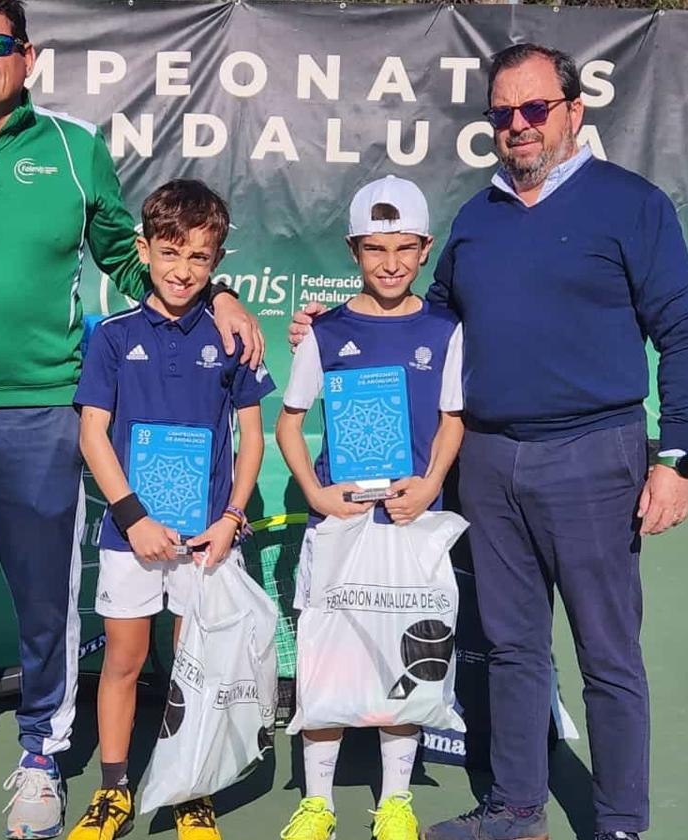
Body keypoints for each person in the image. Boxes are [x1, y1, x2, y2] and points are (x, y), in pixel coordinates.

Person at [0, 2, 261, 836]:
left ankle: (41, 758)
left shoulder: (74, 151)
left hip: (40, 417)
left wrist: (218, 293)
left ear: (26, 55)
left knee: (46, 607)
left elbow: (128, 251)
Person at [291, 45, 688, 840]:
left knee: (607, 655)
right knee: (513, 648)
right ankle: (517, 810)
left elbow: (685, 335)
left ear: (572, 112)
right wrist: (333, 327)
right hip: (488, 462)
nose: (517, 125)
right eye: (501, 113)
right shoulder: (477, 218)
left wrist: (676, 456)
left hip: (595, 455)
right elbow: (432, 319)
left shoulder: (630, 204)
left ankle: (619, 821)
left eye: (534, 109)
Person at [70, 179, 275, 840]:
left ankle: (191, 787)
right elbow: (92, 435)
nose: (183, 270)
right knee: (124, 664)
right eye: (169, 252)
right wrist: (132, 516)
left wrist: (230, 519)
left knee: (194, 670)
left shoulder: (232, 337)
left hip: (207, 541)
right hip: (133, 537)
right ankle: (114, 790)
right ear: (144, 250)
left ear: (216, 262)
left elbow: (252, 437)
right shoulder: (112, 337)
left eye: (199, 258)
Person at [274, 175, 465, 840]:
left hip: (413, 523)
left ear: (425, 249)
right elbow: (289, 423)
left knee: (407, 663)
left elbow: (451, 421)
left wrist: (431, 480)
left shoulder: (446, 331)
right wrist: (319, 494)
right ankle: (317, 803)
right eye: (376, 248)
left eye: (404, 248)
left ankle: (396, 802)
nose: (390, 263)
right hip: (342, 524)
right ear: (353, 249)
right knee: (328, 664)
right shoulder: (325, 333)